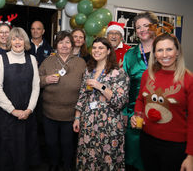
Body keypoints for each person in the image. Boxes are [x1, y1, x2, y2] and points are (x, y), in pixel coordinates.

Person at [131, 33, 193, 171]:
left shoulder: (188, 80)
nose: (165, 54)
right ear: (155, 54)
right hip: (147, 140)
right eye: (160, 50)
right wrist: (137, 115)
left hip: (175, 147)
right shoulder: (148, 74)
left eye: (169, 49)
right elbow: (141, 99)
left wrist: (191, 156)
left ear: (177, 52)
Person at [73, 37, 130, 170]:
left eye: (101, 48)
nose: (97, 51)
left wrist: (101, 86)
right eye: (94, 48)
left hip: (109, 125)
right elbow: (82, 96)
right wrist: (77, 117)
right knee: (88, 157)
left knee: (107, 159)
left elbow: (120, 102)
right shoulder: (88, 71)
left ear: (109, 51)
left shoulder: (119, 74)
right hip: (88, 123)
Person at [0, 27, 40, 171]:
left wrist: (29, 109)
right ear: (9, 42)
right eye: (14, 38)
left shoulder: (32, 59)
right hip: (7, 117)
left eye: (20, 38)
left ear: (25, 41)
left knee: (25, 154)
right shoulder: (1, 59)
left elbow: (36, 87)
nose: (17, 42)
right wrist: (13, 111)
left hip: (27, 116)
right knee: (6, 156)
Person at [39, 31, 86, 171]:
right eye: (61, 42)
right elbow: (36, 81)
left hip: (71, 113)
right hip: (49, 112)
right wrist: (45, 80)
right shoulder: (48, 61)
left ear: (72, 45)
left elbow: (86, 87)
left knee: (67, 143)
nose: (64, 45)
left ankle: (67, 166)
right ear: (56, 45)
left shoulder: (81, 62)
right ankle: (53, 164)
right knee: (51, 142)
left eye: (67, 42)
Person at [123, 11, 159, 171]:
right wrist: (124, 112)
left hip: (161, 114)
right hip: (134, 115)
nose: (142, 29)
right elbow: (124, 86)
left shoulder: (165, 51)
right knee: (133, 160)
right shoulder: (130, 55)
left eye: (146, 25)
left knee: (156, 160)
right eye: (138, 27)